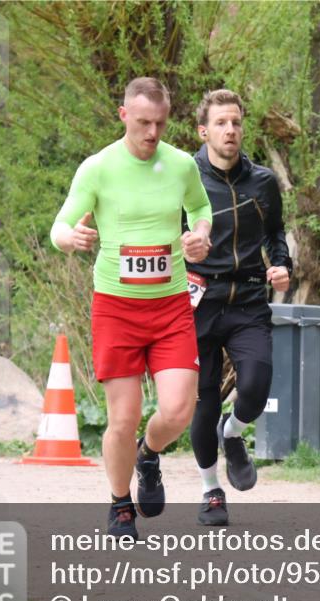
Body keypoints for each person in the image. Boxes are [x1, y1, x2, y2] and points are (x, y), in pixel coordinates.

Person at [50, 78, 213, 538]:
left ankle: (149, 452)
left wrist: (200, 234)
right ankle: (120, 504)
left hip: (171, 306)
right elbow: (61, 225)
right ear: (124, 116)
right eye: (143, 122)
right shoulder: (98, 168)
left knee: (180, 409)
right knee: (122, 417)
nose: (153, 132)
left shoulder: (181, 164)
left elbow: (201, 208)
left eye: (160, 123)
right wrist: (71, 239)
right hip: (117, 307)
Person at [185, 89, 291, 526]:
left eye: (236, 122)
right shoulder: (183, 177)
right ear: (203, 130)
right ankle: (211, 491)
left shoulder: (263, 181)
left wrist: (282, 264)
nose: (230, 130)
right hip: (198, 302)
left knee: (256, 384)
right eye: (221, 123)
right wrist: (183, 247)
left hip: (248, 297)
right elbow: (163, 232)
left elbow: (275, 233)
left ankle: (233, 435)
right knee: (204, 401)